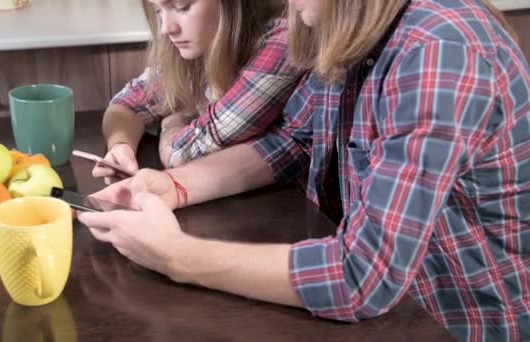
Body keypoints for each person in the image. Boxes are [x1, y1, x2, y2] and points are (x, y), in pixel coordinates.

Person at [78, 0, 530, 340]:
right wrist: (173, 186)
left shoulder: (438, 52)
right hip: (399, 308)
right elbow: (292, 140)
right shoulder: (347, 26)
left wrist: (176, 255)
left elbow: (362, 276)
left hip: (462, 323)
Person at [94, 0, 302, 181]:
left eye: (182, 7)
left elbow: (181, 155)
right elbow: (125, 104)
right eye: (158, 11)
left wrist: (172, 121)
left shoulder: (283, 40)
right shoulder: (203, 45)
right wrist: (121, 147)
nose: (166, 28)